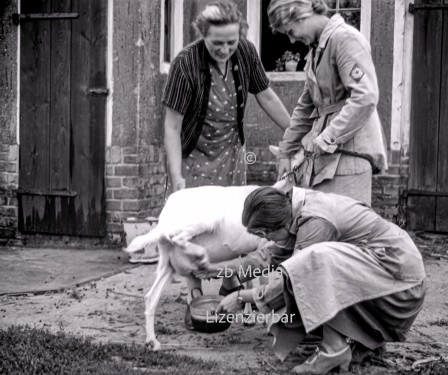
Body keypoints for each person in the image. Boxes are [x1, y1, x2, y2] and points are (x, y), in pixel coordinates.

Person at [215, 186, 426, 374]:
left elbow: (290, 277)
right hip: (389, 281)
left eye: (264, 233)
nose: (265, 238)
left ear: (276, 223)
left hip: (400, 290)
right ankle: (360, 342)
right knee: (308, 264)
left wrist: (242, 298)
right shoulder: (297, 209)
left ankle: (334, 350)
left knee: (312, 262)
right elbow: (271, 255)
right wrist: (223, 270)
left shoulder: (315, 221)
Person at [162, 0, 290, 194]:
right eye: (217, 43)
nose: (224, 50)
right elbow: (172, 126)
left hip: (233, 155)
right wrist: (176, 176)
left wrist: (295, 133)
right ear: (203, 34)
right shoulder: (185, 64)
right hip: (194, 158)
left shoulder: (246, 52)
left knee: (230, 218)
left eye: (231, 42)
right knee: (195, 220)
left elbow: (267, 97)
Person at [268, 0, 387, 206]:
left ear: (302, 16)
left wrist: (326, 139)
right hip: (328, 155)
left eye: (290, 31)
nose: (292, 39)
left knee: (345, 227)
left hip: (349, 152)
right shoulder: (317, 50)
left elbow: (365, 97)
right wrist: (286, 152)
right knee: (323, 223)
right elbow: (306, 106)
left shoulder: (344, 39)